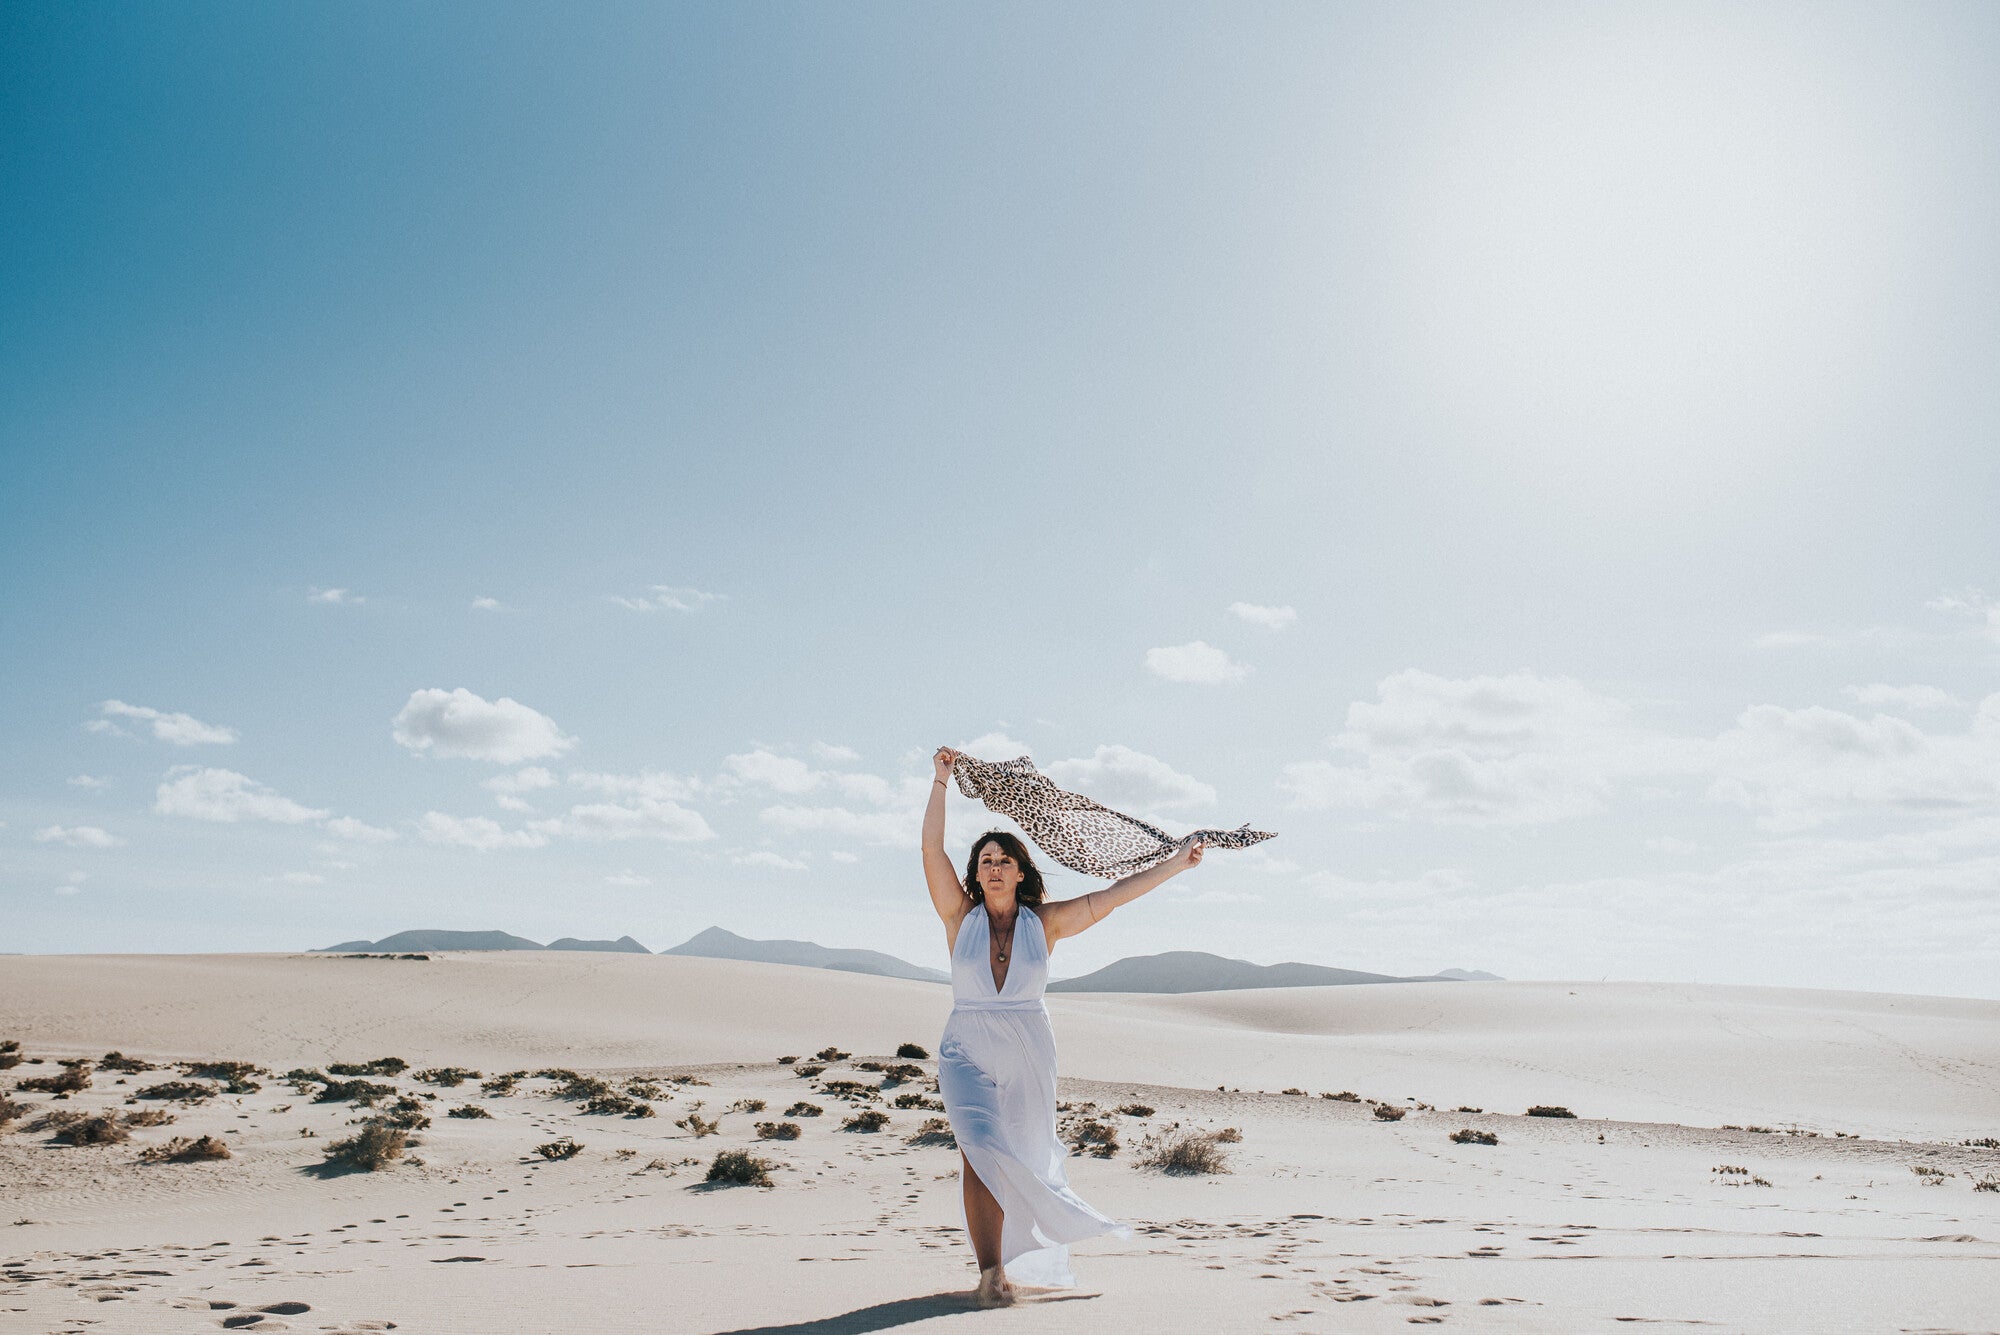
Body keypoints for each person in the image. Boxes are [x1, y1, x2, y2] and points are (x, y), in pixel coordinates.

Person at [922, 744, 1208, 1307]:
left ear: (1022, 870)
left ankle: (1022, 1254)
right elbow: (931, 848)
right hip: (967, 1048)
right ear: (975, 876)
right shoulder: (959, 916)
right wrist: (940, 783)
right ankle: (990, 1272)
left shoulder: (1044, 924)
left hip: (1028, 1050)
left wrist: (1176, 864)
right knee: (977, 1147)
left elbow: (1111, 898)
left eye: (1005, 859)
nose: (995, 866)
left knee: (1022, 1155)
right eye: (985, 860)